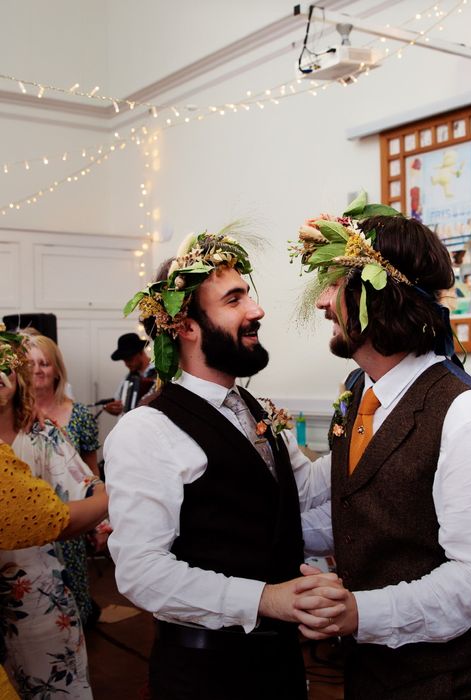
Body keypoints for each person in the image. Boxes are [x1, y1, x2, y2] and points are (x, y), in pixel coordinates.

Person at [291, 192, 471, 699]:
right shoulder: (359, 391)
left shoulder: (467, 417)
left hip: (441, 677)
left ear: (379, 295)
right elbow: (358, 503)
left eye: (334, 285)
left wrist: (358, 612)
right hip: (369, 668)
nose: (323, 302)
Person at [104, 227, 346, 699]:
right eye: (234, 300)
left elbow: (303, 491)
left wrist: (373, 435)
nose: (256, 311)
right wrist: (266, 598)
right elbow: (142, 572)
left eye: (248, 297)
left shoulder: (251, 408)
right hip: (205, 672)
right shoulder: (146, 429)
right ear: (186, 325)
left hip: (276, 662)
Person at [0, 326, 107, 700]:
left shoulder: (43, 433)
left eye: (6, 368)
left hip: (39, 592)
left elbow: (88, 482)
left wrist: (105, 507)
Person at [0, 440, 108, 700]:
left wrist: (102, 505)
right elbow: (48, 516)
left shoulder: (41, 431)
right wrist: (112, 498)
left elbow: (83, 479)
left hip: (43, 588)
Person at [25, 333, 103, 628]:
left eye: (44, 363)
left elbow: (91, 473)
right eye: (31, 364)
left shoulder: (79, 414)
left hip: (71, 521)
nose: (38, 370)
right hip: (28, 523)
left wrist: (99, 523)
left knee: (72, 601)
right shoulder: (12, 415)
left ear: (57, 369)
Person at [103, 332, 156, 416]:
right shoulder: (127, 379)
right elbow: (118, 401)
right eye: (124, 360)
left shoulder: (160, 373)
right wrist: (112, 408)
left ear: (140, 352)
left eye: (129, 359)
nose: (126, 364)